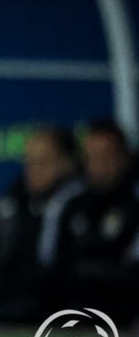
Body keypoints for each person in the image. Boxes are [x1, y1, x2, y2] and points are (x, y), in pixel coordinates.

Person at [0, 126, 79, 321]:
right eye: (29, 162)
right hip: (12, 305)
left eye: (43, 162)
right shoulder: (15, 201)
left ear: (67, 163)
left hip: (62, 312)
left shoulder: (80, 205)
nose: (33, 170)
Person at [43, 120, 139, 324]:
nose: (99, 166)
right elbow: (50, 264)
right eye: (92, 158)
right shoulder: (69, 202)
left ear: (125, 157)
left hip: (126, 312)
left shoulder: (134, 203)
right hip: (73, 309)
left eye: (107, 157)